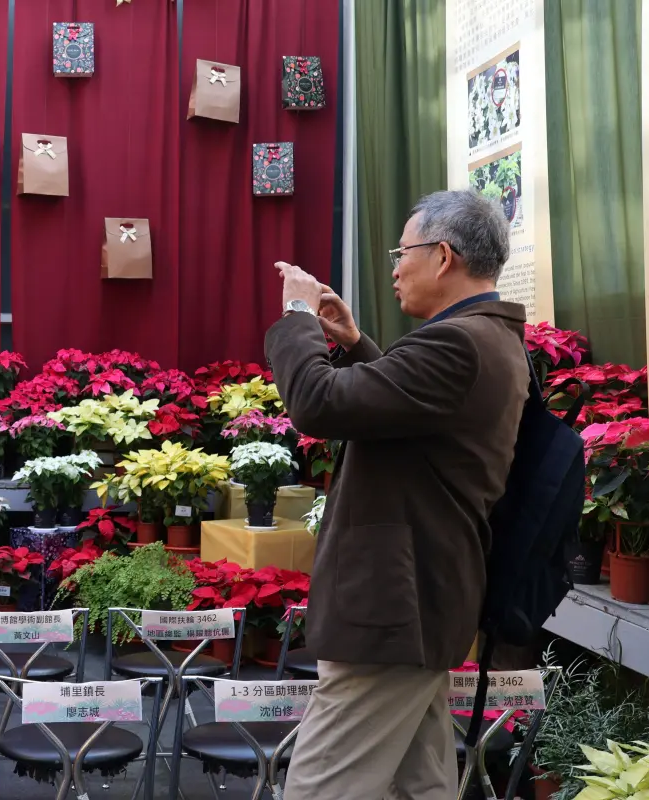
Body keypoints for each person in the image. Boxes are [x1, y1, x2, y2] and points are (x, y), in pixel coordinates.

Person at [264, 190, 529, 800]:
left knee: (321, 787)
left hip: (394, 607)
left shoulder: (457, 343)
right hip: (419, 602)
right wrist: (356, 343)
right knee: (420, 784)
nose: (395, 268)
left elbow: (318, 403)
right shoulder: (484, 338)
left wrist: (298, 315)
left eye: (402, 253)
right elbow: (413, 424)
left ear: (443, 256)